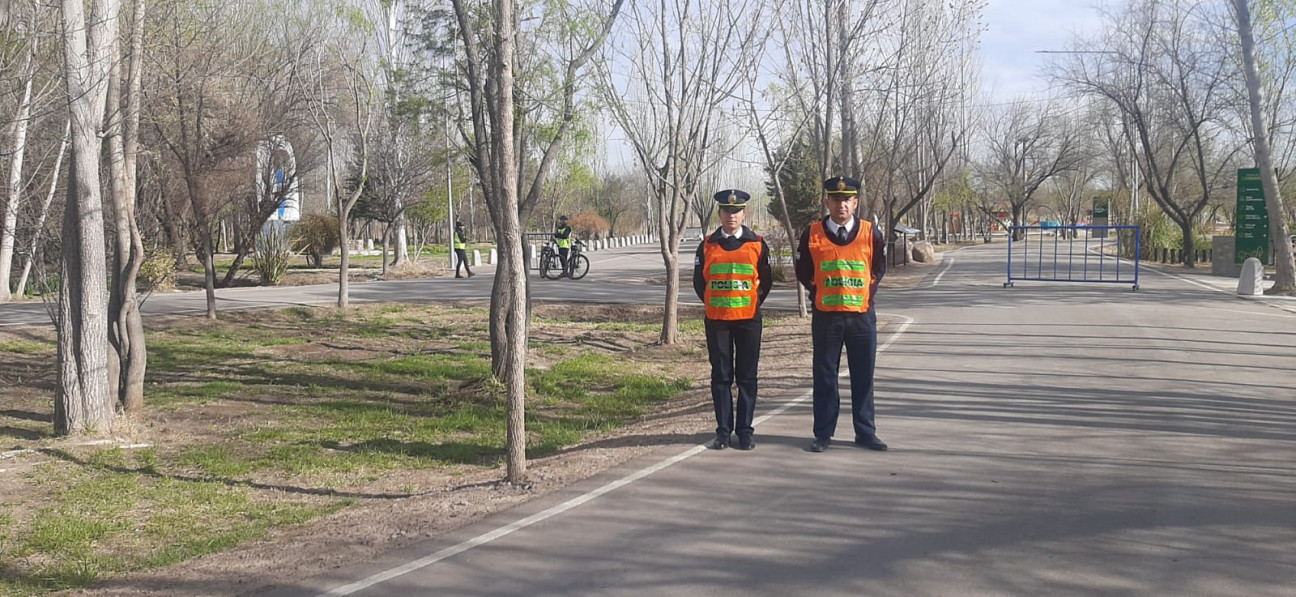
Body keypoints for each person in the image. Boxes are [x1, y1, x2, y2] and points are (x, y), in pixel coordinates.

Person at [795, 176, 888, 453]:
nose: (841, 205)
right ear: (827, 202)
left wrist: (867, 295)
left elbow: (878, 269)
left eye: (846, 200)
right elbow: (803, 271)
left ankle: (866, 432)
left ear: (855, 202)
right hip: (827, 317)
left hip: (861, 317)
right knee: (825, 377)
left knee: (863, 376)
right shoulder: (812, 233)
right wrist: (817, 292)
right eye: (835, 199)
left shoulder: (871, 233)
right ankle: (823, 433)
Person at [692, 189, 772, 451]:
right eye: (726, 211)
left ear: (743, 213)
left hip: (748, 320)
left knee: (747, 377)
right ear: (720, 213)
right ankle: (723, 431)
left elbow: (766, 282)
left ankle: (745, 431)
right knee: (721, 377)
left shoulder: (757, 243)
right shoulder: (707, 245)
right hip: (718, 321)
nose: (731, 216)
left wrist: (751, 302)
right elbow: (698, 283)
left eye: (736, 211)